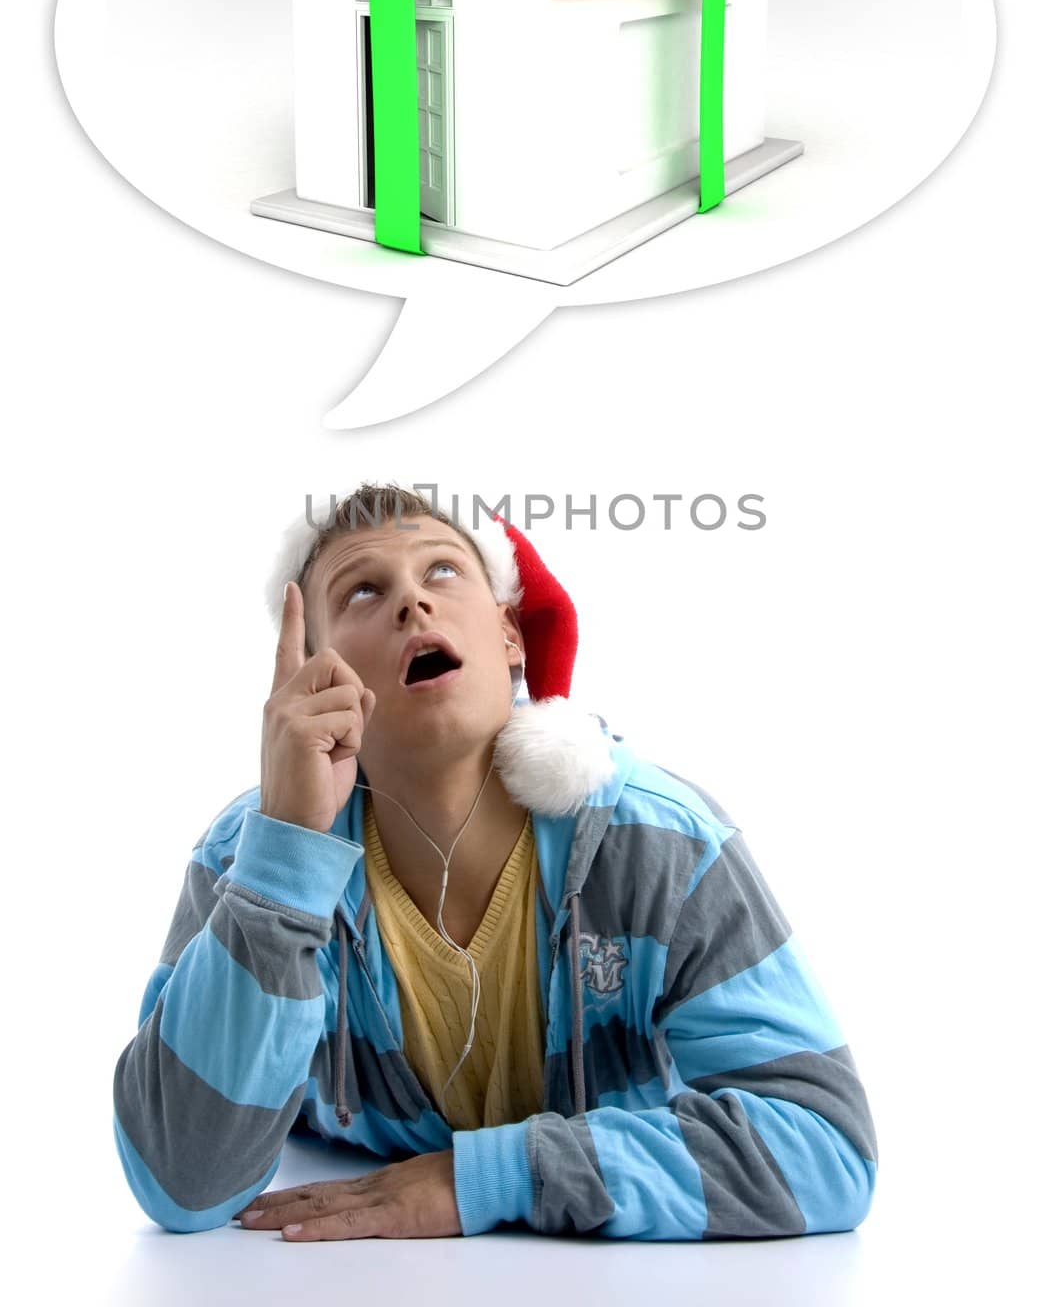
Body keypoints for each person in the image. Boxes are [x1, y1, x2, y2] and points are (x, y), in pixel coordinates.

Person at [112, 482, 877, 1242]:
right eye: (363, 591)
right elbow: (181, 1181)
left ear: (510, 636)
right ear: (320, 675)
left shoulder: (660, 842)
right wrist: (284, 857)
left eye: (441, 571)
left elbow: (825, 1146)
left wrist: (488, 1177)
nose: (412, 602)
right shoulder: (252, 856)